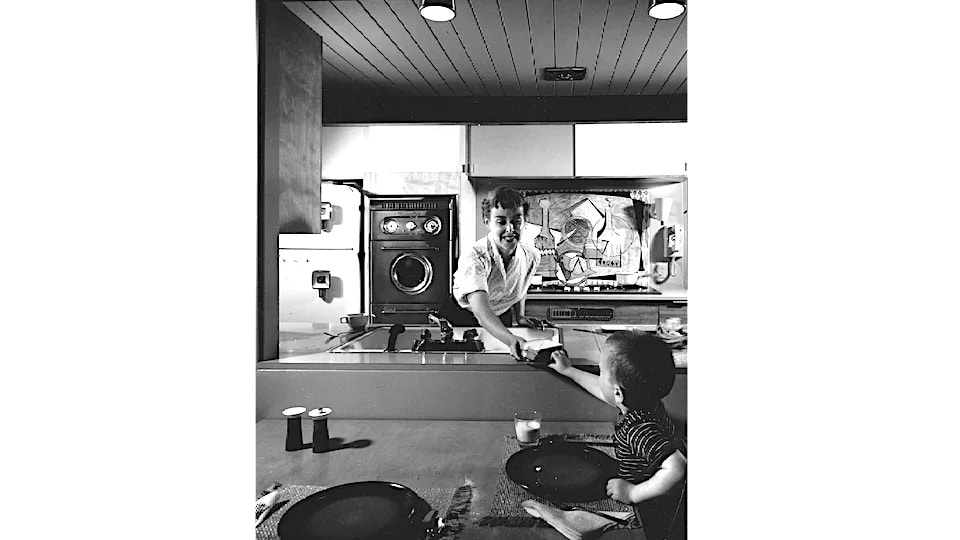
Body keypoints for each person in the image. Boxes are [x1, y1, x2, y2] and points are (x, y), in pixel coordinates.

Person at [549, 331, 687, 540]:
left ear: (618, 393)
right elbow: (607, 392)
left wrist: (632, 493)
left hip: (648, 513)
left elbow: (678, 467)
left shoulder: (639, 429)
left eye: (601, 372)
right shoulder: (643, 403)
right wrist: (568, 370)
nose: (599, 377)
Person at [450, 186, 542, 359]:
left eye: (516, 221)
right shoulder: (475, 256)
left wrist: (520, 316)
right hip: (463, 318)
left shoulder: (531, 255)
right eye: (501, 222)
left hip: (500, 317)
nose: (510, 229)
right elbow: (481, 311)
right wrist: (510, 339)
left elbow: (520, 284)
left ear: (525, 221)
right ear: (487, 221)